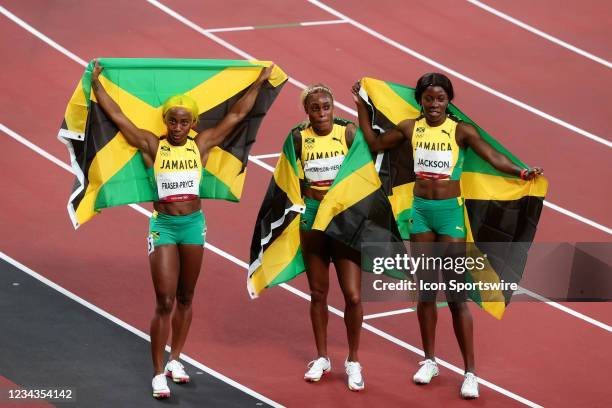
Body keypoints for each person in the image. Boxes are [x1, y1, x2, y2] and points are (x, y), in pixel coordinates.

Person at [352, 73, 543, 399]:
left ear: (449, 100)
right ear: (421, 101)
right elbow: (374, 144)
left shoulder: (461, 131)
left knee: (456, 295)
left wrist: (521, 172)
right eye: (429, 99)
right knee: (426, 292)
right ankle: (429, 360)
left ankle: (471, 372)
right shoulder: (411, 127)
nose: (434, 104)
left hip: (450, 217)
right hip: (421, 214)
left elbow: (493, 158)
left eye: (440, 99)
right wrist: (361, 105)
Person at [90, 60, 273, 399]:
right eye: (172, 120)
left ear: (193, 123)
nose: (177, 126)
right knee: (165, 300)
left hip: (193, 226)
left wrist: (259, 83)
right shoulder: (151, 145)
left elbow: (235, 117)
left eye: (183, 121)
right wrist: (97, 85)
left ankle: (176, 359)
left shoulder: (199, 145)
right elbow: (118, 118)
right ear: (165, 121)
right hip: (164, 227)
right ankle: (158, 373)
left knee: (187, 297)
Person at [294, 84, 365, 391]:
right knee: (318, 294)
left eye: (326, 106)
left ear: (333, 107)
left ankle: (353, 360)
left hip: (344, 221)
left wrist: (362, 102)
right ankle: (322, 357)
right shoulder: (298, 138)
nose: (321, 113)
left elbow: (366, 167)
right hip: (313, 220)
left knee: (353, 295)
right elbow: (289, 179)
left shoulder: (347, 133)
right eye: (315, 108)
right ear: (306, 111)